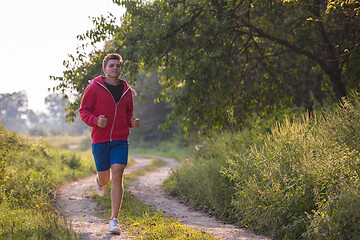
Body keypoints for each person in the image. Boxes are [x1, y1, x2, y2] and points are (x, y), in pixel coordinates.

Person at [79, 53, 140, 234]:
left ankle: (114, 220)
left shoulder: (127, 91)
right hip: (100, 140)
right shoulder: (93, 88)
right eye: (112, 66)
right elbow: (83, 111)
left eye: (118, 66)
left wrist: (132, 121)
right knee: (105, 178)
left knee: (118, 173)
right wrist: (96, 120)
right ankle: (99, 181)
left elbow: (128, 113)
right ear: (105, 69)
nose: (115, 68)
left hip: (120, 139)